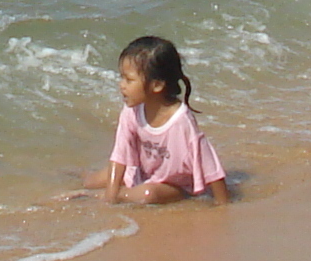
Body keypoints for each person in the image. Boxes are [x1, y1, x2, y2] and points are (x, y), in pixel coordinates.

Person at [84, 37, 226, 205]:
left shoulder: (182, 122)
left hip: (172, 186)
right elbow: (120, 155)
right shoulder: (131, 110)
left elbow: (210, 167)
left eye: (128, 80)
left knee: (148, 194)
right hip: (140, 174)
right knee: (92, 182)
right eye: (121, 78)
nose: (121, 85)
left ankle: (92, 196)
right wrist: (111, 193)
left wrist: (223, 205)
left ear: (157, 85)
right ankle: (80, 179)